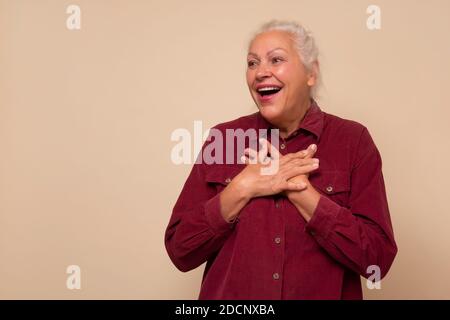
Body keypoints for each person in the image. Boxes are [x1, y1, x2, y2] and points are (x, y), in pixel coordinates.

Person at [165, 20, 397, 299]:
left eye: (276, 59)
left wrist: (302, 192)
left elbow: (376, 261)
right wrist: (241, 188)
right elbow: (180, 251)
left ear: (311, 72)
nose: (261, 72)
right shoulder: (224, 139)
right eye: (252, 63)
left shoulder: (353, 140)